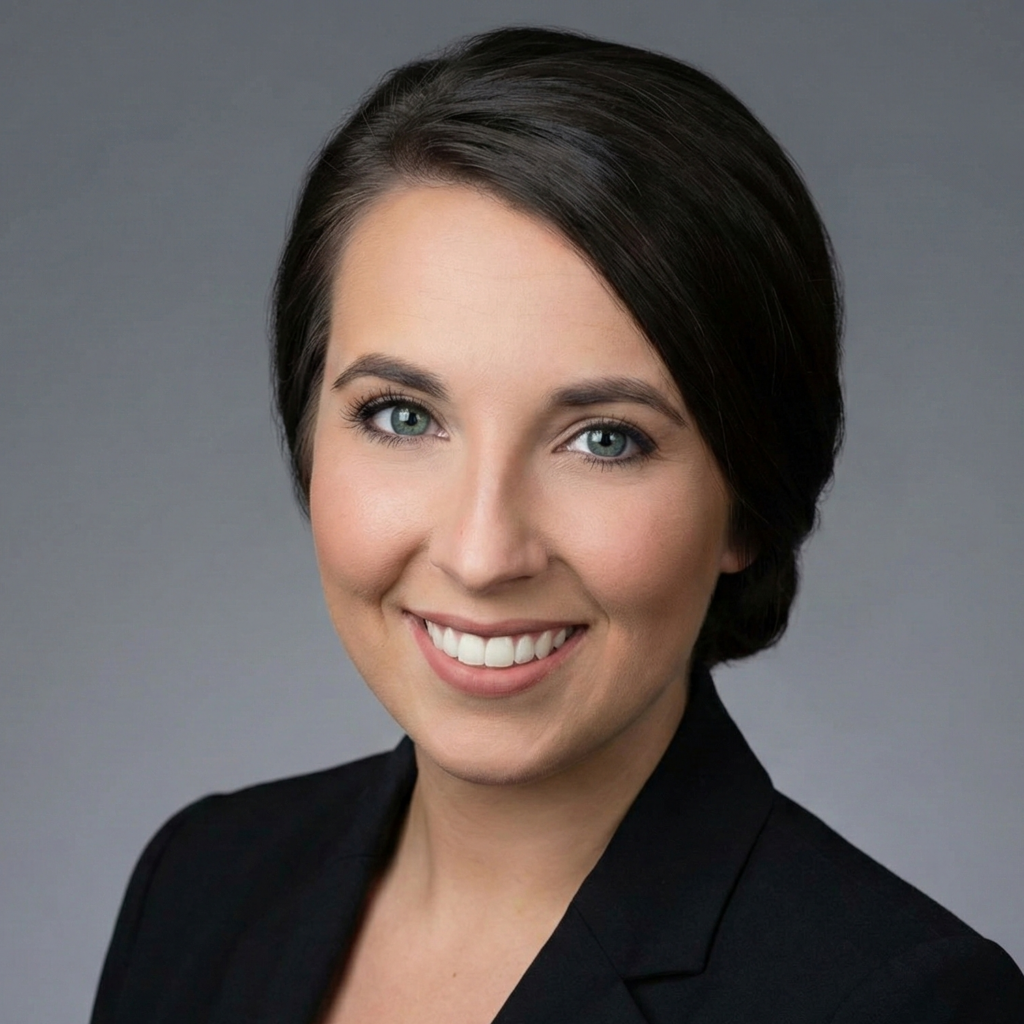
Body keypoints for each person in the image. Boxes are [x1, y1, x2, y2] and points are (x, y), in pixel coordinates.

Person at [89, 26, 1024, 1024]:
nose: (483, 553)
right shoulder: (201, 882)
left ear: (744, 503)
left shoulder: (899, 1003)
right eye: (403, 416)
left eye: (604, 439)